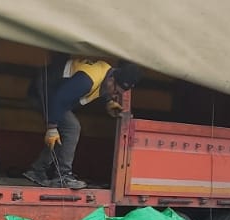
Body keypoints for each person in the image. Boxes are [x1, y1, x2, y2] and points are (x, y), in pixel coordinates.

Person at [22, 54, 141, 189]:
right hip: (44, 91)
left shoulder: (107, 72)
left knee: (65, 131)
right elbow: (58, 98)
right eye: (116, 91)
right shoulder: (87, 80)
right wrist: (51, 127)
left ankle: (37, 170)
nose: (115, 94)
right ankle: (63, 176)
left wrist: (109, 102)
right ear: (112, 79)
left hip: (55, 92)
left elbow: (101, 88)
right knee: (71, 128)